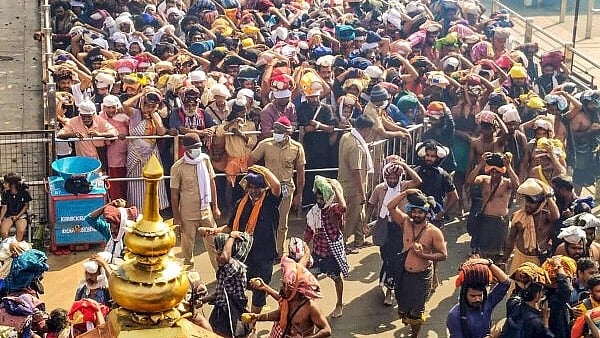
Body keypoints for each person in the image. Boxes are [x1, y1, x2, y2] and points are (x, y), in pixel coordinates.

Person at [199, 165, 281, 314]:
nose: (255, 191)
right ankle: (238, 316)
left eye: (259, 187)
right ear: (247, 188)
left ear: (264, 188)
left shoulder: (270, 201)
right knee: (235, 286)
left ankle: (252, 322)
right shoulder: (240, 204)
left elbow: (276, 186)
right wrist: (212, 231)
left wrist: (262, 170)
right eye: (252, 187)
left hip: (264, 256)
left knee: (259, 291)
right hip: (243, 255)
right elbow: (230, 228)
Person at [387, 189, 448, 338]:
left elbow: (443, 255)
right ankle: (408, 320)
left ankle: (414, 335)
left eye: (420, 212)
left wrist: (423, 255)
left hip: (421, 277)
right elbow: (390, 207)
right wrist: (406, 193)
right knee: (403, 305)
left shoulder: (434, 232)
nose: (416, 215)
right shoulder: (406, 222)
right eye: (413, 211)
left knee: (417, 311)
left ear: (427, 213)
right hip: (403, 273)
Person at [365, 156, 422, 306]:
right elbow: (371, 205)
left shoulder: (404, 187)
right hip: (385, 227)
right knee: (386, 257)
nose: (391, 180)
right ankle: (387, 280)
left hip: (402, 228)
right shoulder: (379, 189)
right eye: (389, 177)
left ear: (399, 177)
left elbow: (418, 181)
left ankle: (390, 290)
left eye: (394, 177)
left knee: (396, 259)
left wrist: (404, 164)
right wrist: (366, 223)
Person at [249, 116, 305, 258]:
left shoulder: (297, 148)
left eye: (280, 131)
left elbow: (300, 172)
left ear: (288, 133)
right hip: (268, 189)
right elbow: (251, 160)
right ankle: (266, 250)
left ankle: (279, 252)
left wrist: (299, 194)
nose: (277, 133)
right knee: (265, 220)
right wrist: (257, 179)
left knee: (282, 223)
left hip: (286, 188)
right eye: (276, 130)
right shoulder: (265, 144)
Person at [246, 257, 331, 337]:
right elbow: (281, 311)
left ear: (295, 291)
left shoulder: (310, 307)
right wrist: (257, 317)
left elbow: (326, 330)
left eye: (285, 286)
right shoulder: (289, 299)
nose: (281, 288)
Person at [170, 133, 220, 269]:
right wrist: (177, 217)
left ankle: (220, 276)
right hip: (188, 214)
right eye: (194, 148)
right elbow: (174, 195)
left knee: (215, 245)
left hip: (206, 211)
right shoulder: (177, 167)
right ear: (187, 150)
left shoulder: (205, 160)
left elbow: (211, 183)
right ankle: (189, 281)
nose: (198, 150)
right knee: (187, 250)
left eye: (199, 147)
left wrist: (215, 207)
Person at [304, 175, 348, 318]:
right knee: (311, 279)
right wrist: (303, 246)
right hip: (317, 252)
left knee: (336, 278)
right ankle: (311, 306)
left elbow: (343, 207)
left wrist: (336, 188)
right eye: (317, 198)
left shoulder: (333, 209)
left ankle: (339, 304)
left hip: (331, 254)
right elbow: (309, 230)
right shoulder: (314, 212)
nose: (319, 201)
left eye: (322, 199)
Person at [466, 152, 519, 262]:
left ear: (502, 172)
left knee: (499, 254)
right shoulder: (484, 179)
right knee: (483, 252)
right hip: (485, 220)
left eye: (497, 172)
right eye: (492, 172)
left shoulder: (507, 183)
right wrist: (480, 164)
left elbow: (517, 185)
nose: (494, 175)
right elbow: (469, 181)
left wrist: (508, 167)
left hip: (500, 222)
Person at [122, 88, 169, 211]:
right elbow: (125, 105)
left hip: (151, 154)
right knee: (137, 182)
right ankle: (137, 210)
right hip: (136, 154)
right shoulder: (135, 113)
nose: (149, 107)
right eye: (147, 104)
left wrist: (153, 114)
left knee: (153, 180)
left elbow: (161, 132)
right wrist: (141, 94)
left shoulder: (156, 116)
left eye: (152, 105)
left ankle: (155, 209)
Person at [503, 178, 560, 273]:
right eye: (527, 201)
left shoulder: (546, 217)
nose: (528, 205)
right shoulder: (518, 216)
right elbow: (511, 239)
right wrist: (504, 260)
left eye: (532, 202)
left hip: (538, 261)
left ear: (542, 203)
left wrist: (548, 196)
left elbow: (556, 216)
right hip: (519, 259)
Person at [446, 257, 511, 338]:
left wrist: (489, 263)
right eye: (473, 296)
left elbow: (506, 283)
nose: (477, 299)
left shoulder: (487, 303)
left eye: (480, 295)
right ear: (464, 294)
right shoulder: (455, 315)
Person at [338, 115, 375, 253]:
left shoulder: (346, 136)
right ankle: (343, 244)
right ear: (365, 130)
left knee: (359, 213)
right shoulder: (356, 146)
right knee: (350, 217)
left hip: (345, 182)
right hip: (353, 187)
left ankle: (360, 239)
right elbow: (356, 171)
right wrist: (361, 193)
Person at [204, 231, 251, 338]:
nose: (217, 257)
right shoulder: (224, 269)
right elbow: (220, 291)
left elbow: (225, 258)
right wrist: (203, 300)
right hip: (221, 311)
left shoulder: (236, 266)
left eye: (219, 252)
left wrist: (232, 236)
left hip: (232, 313)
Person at [500, 263, 553, 338]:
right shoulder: (535, 321)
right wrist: (545, 321)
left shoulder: (513, 304)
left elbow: (516, 294)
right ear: (538, 294)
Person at [56, 99, 118, 164]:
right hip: (81, 160)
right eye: (83, 116)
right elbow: (60, 134)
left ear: (93, 114)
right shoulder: (73, 121)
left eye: (89, 116)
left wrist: (99, 135)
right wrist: (73, 135)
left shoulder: (100, 120)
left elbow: (114, 132)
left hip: (98, 160)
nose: (86, 119)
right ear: (80, 114)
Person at [413, 140, 459, 221]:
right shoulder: (415, 172)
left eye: (433, 156)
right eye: (427, 155)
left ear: (437, 158)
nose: (429, 158)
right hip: (416, 216)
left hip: (434, 216)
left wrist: (441, 213)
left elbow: (454, 197)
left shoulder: (443, 175)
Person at [84, 199, 137, 264]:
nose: (112, 230)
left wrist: (103, 263)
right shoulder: (108, 231)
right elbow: (89, 219)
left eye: (116, 228)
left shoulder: (131, 240)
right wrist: (109, 205)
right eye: (111, 226)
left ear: (123, 225)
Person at [99, 95, 129, 200]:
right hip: (113, 153)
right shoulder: (100, 118)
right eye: (108, 107)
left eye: (113, 107)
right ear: (104, 107)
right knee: (115, 180)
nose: (111, 110)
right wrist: (113, 137)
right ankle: (117, 202)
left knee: (127, 180)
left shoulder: (124, 116)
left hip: (128, 152)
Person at [0, 173, 32, 241]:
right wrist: (0, 219)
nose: (4, 185)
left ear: (13, 184)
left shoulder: (24, 192)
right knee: (3, 232)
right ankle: (8, 246)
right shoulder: (5, 193)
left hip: (21, 216)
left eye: (6, 183)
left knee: (20, 231)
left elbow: (26, 206)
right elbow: (4, 207)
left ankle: (16, 247)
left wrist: (17, 216)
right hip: (9, 216)